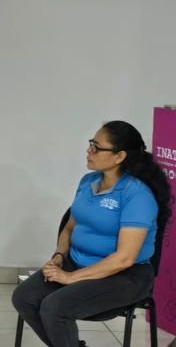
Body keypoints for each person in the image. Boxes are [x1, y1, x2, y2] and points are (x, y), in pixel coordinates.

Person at [12, 121, 172, 347]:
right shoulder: (88, 182)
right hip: (77, 262)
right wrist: (59, 256)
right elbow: (69, 228)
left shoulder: (137, 195)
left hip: (125, 275)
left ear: (119, 156)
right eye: (91, 144)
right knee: (24, 297)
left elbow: (124, 258)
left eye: (97, 147)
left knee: (55, 308)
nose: (89, 150)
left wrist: (70, 278)